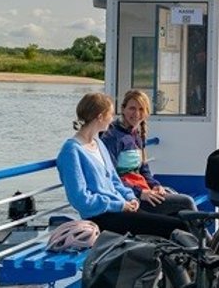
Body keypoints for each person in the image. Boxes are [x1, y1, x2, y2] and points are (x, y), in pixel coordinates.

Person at [56, 92, 186, 238]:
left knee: (180, 220)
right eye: (110, 114)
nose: (112, 119)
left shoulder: (98, 144)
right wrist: (120, 205)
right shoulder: (71, 151)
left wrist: (130, 197)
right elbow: (81, 200)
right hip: (102, 217)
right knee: (177, 227)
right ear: (100, 117)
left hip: (121, 208)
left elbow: (114, 180)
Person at [101, 89, 197, 216]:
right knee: (186, 202)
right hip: (128, 197)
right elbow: (110, 177)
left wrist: (155, 185)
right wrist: (139, 193)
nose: (136, 113)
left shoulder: (136, 134)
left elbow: (143, 170)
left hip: (142, 189)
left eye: (141, 109)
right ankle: (206, 237)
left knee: (178, 212)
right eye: (132, 108)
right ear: (123, 109)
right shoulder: (113, 136)